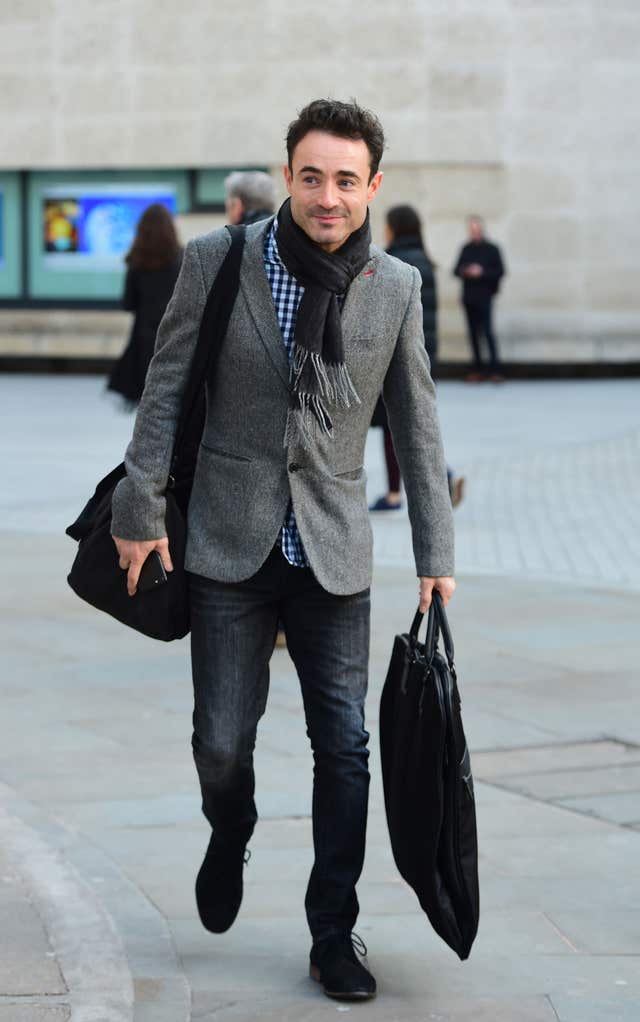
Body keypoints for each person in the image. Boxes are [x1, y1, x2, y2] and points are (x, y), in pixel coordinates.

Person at [110, 99, 455, 1002]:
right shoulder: (219, 261)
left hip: (334, 550)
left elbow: (417, 425)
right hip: (229, 540)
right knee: (222, 743)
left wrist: (434, 549)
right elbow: (166, 381)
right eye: (312, 176)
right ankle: (232, 827)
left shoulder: (396, 287)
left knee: (343, 746)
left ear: (372, 186)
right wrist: (139, 503)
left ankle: (332, 931)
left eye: (347, 179)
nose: (328, 196)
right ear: (289, 175)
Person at [370, 205, 465, 511]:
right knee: (412, 426)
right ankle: (439, 479)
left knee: (395, 428)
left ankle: (399, 493)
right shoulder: (425, 262)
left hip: (396, 359)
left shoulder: (395, 263)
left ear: (394, 228)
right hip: (424, 358)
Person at [107, 204, 183, 405]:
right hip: (173, 334)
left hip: (142, 338)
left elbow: (128, 303)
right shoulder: (181, 259)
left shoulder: (137, 261)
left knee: (145, 402)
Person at [453, 215, 506, 382]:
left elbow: (500, 271)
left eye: (476, 229)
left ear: (481, 229)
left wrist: (481, 272)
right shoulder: (466, 248)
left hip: (485, 297)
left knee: (488, 333)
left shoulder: (492, 249)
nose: (474, 232)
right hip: (469, 298)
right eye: (472, 230)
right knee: (473, 334)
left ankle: (495, 370)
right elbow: (456, 270)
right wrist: (467, 271)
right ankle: (477, 370)